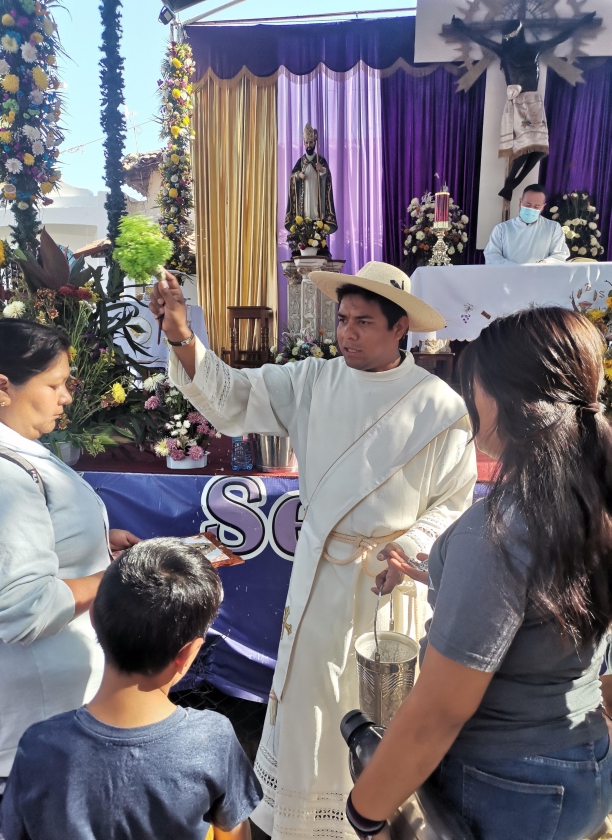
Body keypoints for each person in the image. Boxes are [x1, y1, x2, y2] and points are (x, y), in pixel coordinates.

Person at [149, 261, 477, 840]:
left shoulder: (439, 406)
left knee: (377, 709)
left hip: (388, 583)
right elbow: (233, 396)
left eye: (363, 322)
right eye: (343, 319)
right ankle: (302, 821)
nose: (346, 333)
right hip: (318, 576)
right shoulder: (313, 381)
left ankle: (375, 816)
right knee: (310, 703)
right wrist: (180, 334)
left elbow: (454, 501)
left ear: (400, 328)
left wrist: (411, 545)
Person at [349, 307, 612, 840]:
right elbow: (542, 604)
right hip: (586, 762)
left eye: (476, 389)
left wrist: (366, 808)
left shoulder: (497, 529)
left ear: (512, 402)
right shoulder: (590, 498)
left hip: (507, 784)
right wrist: (433, 574)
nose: (471, 404)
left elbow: (440, 710)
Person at [0, 319, 139, 840]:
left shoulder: (13, 451)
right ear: (2, 388)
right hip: (35, 720)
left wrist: (95, 544)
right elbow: (25, 607)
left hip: (50, 712)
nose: (66, 397)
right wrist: (115, 575)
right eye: (54, 385)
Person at [1, 538, 261, 840]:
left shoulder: (38, 745)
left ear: (95, 617)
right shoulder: (213, 740)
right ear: (188, 654)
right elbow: (234, 833)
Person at [451, 13, 597, 201]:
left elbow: (560, 37)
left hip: (535, 102)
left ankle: (510, 185)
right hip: (518, 102)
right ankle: (510, 184)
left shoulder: (534, 48)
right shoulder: (506, 52)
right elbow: (480, 39)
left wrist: (581, 22)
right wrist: (461, 27)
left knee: (539, 149)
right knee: (526, 146)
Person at [484, 184, 570, 265]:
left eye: (536, 206)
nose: (531, 209)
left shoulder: (553, 228)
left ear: (543, 206)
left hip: (540, 277)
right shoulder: (502, 229)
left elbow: (560, 254)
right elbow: (492, 255)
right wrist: (514, 268)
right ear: (520, 202)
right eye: (528, 205)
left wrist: (544, 263)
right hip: (509, 277)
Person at [285, 122, 338, 250]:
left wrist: (322, 171)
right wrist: (298, 175)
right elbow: (292, 176)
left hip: (316, 198)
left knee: (316, 214)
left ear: (315, 142)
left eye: (311, 142)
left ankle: (319, 238)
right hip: (304, 200)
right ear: (304, 143)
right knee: (305, 216)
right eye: (307, 143)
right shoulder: (301, 161)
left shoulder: (320, 160)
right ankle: (303, 239)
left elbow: (328, 178)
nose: (309, 145)